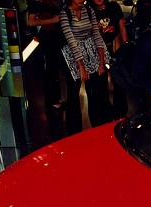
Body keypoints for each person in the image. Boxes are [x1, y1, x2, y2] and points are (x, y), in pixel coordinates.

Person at [60, 0, 113, 134]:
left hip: (92, 51)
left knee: (95, 93)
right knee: (73, 94)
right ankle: (74, 133)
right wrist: (81, 66)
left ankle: (99, 130)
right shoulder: (65, 13)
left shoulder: (88, 10)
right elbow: (71, 41)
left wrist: (101, 62)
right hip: (74, 55)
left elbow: (96, 35)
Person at [89, 0, 129, 118]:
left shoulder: (113, 7)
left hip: (114, 47)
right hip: (97, 50)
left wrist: (126, 46)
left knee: (119, 81)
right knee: (100, 84)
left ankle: (120, 114)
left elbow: (121, 26)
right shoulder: (89, 10)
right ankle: (105, 115)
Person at [27, 0, 65, 112]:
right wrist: (52, 20)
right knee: (51, 68)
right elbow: (31, 21)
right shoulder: (37, 2)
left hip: (58, 35)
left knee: (56, 68)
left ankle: (56, 99)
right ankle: (52, 101)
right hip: (48, 37)